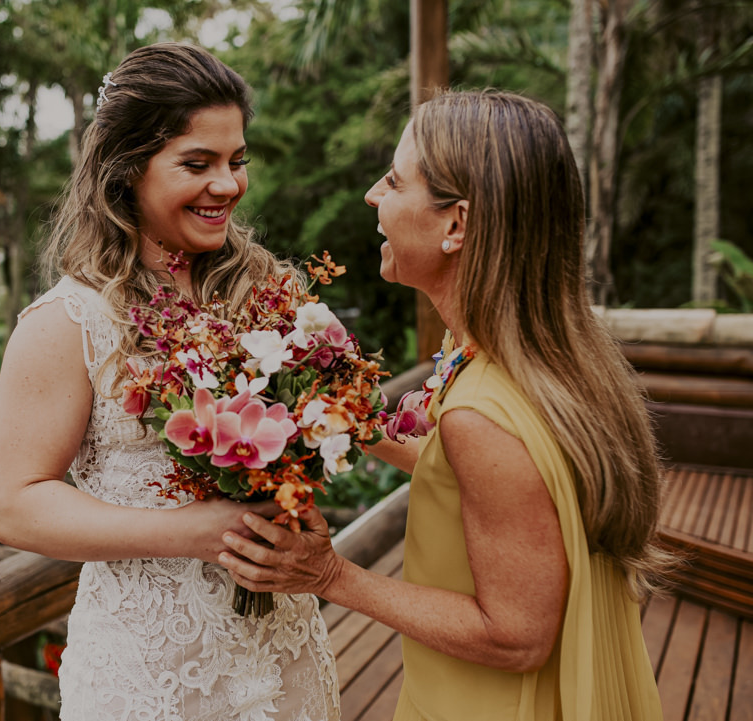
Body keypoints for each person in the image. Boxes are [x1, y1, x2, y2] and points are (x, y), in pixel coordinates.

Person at [218, 90, 670, 721]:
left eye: (395, 181)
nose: (374, 196)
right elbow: (469, 477)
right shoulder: (527, 357)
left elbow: (516, 636)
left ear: (456, 225)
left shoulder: (482, 416)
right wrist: (346, 416)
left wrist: (329, 576)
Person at [0, 42, 340, 721]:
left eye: (236, 161)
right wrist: (192, 529)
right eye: (197, 163)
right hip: (151, 675)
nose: (228, 185)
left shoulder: (270, 290)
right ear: (127, 172)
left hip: (282, 646)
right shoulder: (66, 322)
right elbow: (14, 503)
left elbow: (353, 410)